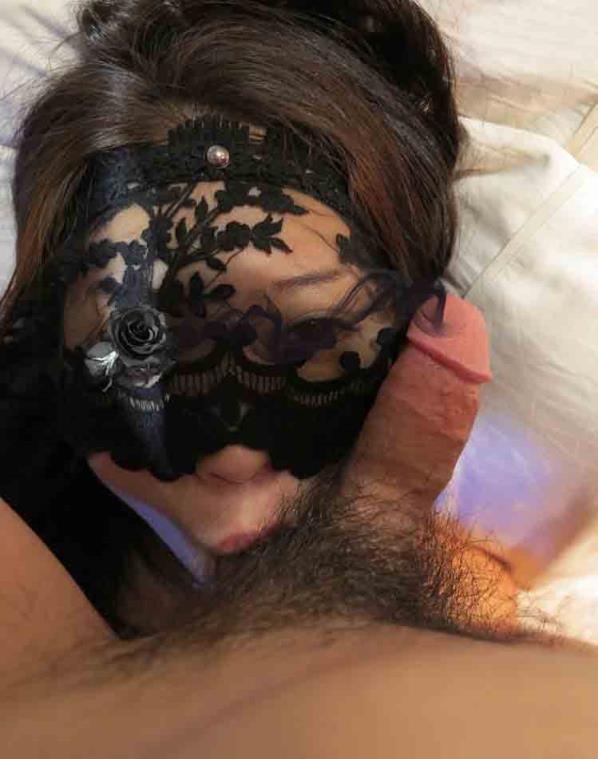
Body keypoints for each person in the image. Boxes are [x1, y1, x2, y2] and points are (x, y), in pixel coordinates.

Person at [0, 0, 518, 638]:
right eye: (140, 350)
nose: (233, 458)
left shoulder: (465, 588)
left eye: (309, 340)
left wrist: (386, 511)